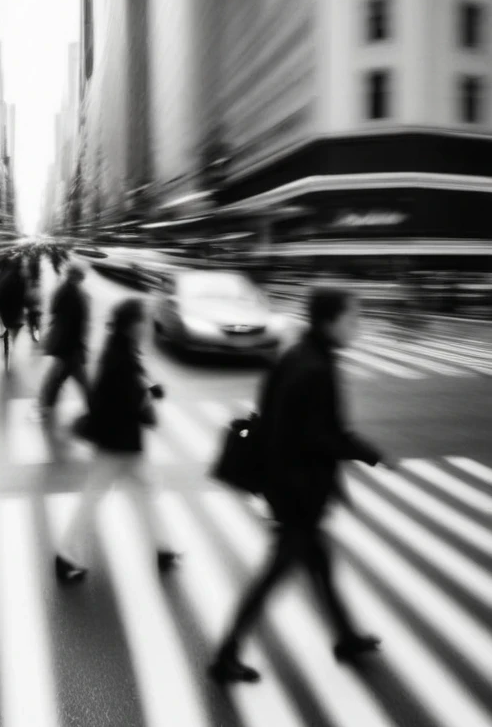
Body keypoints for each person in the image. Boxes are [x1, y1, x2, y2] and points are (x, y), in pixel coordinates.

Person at [210, 286, 387, 684]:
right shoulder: (315, 367)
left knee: (320, 565)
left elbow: (274, 415)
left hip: (288, 486)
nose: (357, 325)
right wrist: (370, 452)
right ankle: (226, 654)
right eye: (352, 317)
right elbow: (320, 436)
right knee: (274, 575)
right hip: (297, 493)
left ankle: (345, 637)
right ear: (331, 320)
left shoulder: (297, 354)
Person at [55, 298, 180, 582]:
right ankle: (65, 556)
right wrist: (149, 400)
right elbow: (121, 399)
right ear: (132, 325)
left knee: (144, 493)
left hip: (120, 444)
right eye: (143, 320)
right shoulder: (119, 357)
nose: (148, 326)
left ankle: (164, 550)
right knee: (96, 498)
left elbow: (128, 388)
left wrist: (148, 390)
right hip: (118, 445)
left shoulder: (121, 350)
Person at [39, 260, 91, 422]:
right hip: (69, 345)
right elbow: (72, 322)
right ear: (75, 275)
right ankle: (95, 406)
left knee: (58, 378)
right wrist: (78, 345)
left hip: (67, 344)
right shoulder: (69, 293)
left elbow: (55, 313)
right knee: (72, 378)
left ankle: (46, 406)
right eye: (81, 275)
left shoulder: (66, 290)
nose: (83, 278)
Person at [0, 253, 27, 371]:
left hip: (6, 307)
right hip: (16, 307)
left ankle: (7, 342)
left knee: (8, 325)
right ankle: (11, 340)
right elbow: (24, 294)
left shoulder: (5, 277)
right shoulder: (21, 278)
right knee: (14, 325)